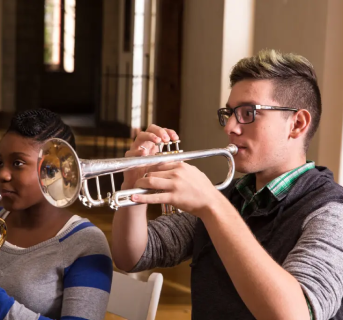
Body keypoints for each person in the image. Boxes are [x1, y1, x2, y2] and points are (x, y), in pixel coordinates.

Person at [111, 49, 343, 320]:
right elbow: (134, 256)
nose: (230, 127)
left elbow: (296, 315)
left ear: (297, 124)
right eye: (230, 113)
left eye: (248, 112)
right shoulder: (233, 195)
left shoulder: (332, 212)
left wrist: (212, 205)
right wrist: (133, 181)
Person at [0, 109, 113, 320]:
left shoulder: (85, 243)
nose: (3, 174)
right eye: (1, 163)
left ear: (54, 171)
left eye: (17, 163)